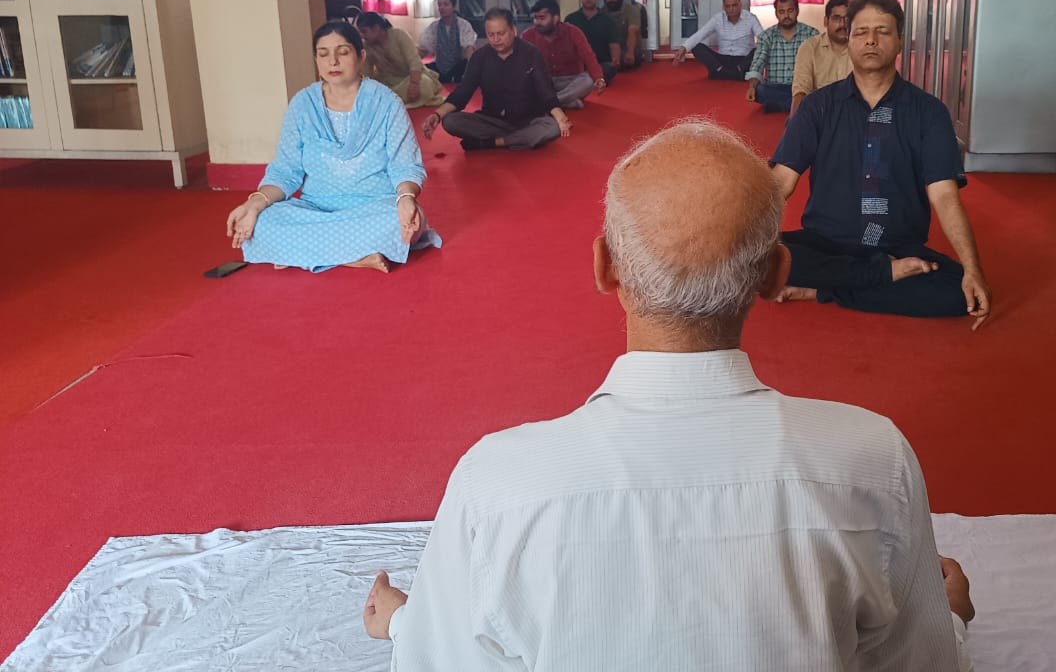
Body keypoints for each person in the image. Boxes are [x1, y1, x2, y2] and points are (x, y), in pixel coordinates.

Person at [362, 119, 975, 671]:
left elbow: (442, 660)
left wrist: (406, 624)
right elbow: (918, 663)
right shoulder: (873, 458)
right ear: (776, 275)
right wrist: (945, 617)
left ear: (605, 267)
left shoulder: (497, 481)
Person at [769, 0, 992, 327]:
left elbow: (945, 196)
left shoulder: (929, 113)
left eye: (883, 31)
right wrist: (742, 235)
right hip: (827, 244)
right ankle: (880, 276)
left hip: (896, 246)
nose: (871, 40)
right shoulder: (818, 107)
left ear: (900, 41)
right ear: (849, 40)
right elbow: (781, 183)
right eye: (861, 32)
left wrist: (973, 269)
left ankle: (826, 290)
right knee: (758, 257)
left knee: (958, 292)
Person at [225, 22, 442, 273]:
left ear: (361, 56)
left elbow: (405, 165)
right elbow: (285, 171)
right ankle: (356, 256)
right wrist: (256, 203)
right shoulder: (302, 104)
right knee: (263, 222)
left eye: (343, 52)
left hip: (375, 207)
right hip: (316, 209)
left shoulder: (386, 102)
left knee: (403, 220)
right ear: (316, 59)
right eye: (323, 54)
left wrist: (405, 198)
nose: (333, 62)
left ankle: (308, 254)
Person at [422, 7, 570, 151]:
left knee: (552, 128)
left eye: (501, 33)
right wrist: (437, 115)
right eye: (491, 34)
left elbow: (546, 92)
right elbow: (462, 93)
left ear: (513, 30)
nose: (496, 39)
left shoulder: (531, 53)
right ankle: (519, 139)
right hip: (492, 121)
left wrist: (560, 117)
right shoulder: (480, 57)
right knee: (450, 121)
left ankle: (492, 143)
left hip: (527, 121)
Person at [521, 0, 607, 110]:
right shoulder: (528, 35)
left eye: (542, 18)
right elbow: (520, 63)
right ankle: (566, 102)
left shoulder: (573, 32)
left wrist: (599, 78)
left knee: (588, 80)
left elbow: (588, 56)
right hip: (544, 82)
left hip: (569, 81)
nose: (537, 22)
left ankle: (550, 103)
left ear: (555, 18)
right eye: (535, 18)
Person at [745, 0, 820, 113]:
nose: (786, 16)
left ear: (797, 11)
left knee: (815, 93)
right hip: (774, 87)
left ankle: (779, 105)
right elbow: (757, 64)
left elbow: (819, 65)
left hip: (802, 87)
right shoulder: (766, 36)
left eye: (790, 11)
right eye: (781, 12)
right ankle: (798, 106)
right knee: (759, 91)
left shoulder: (811, 34)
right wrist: (751, 87)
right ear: (776, 13)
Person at [354, 12, 444, 110]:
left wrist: (414, 84)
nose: (362, 36)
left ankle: (387, 101)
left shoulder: (399, 35)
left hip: (409, 78)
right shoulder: (367, 46)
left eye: (364, 31)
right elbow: (367, 73)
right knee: (370, 87)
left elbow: (415, 61)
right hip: (387, 81)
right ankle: (390, 100)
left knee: (424, 84)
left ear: (376, 28)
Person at [672, 0, 764, 80]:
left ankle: (729, 72)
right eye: (728, 6)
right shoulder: (718, 18)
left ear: (740, 4)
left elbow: (763, 38)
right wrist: (684, 48)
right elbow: (701, 34)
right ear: (724, 7)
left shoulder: (751, 18)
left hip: (743, 61)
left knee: (758, 50)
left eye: (734, 5)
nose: (731, 9)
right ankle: (723, 71)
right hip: (723, 60)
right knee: (697, 47)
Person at [791, 0, 853, 115]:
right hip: (821, 113)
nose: (842, 24)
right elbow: (801, 89)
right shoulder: (810, 47)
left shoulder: (862, 48)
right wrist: (796, 121)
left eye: (847, 19)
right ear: (826, 21)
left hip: (854, 113)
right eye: (836, 18)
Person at [565, 0, 622, 82]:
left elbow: (614, 44)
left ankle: (588, 79)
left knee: (608, 69)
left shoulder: (607, 19)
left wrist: (615, 60)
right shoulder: (571, 19)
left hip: (601, 64)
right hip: (578, 66)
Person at [416, 0, 477, 83]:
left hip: (458, 65)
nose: (442, 8)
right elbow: (424, 49)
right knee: (422, 71)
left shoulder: (463, 24)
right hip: (439, 65)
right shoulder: (434, 26)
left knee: (466, 69)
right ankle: (448, 78)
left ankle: (450, 78)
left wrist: (474, 69)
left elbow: (469, 49)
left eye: (446, 4)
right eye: (439, 5)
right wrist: (412, 63)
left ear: (454, 7)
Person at [600, 0, 645, 69]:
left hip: (627, 48)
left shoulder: (631, 10)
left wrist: (630, 53)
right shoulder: (602, 13)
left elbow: (632, 31)